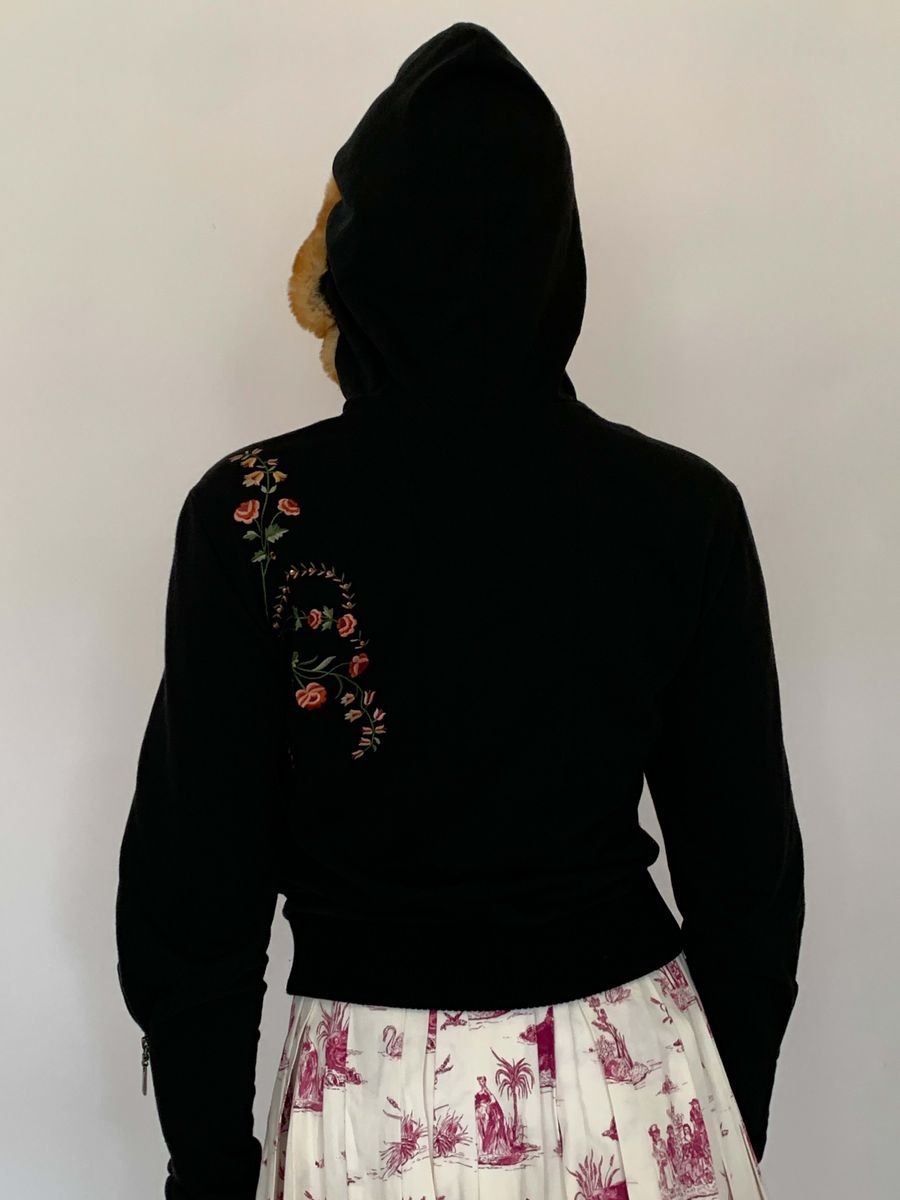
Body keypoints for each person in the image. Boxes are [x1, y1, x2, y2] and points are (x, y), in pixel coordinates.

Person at [115, 21, 805, 1200]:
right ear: (553, 249)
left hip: (368, 1103)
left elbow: (197, 887)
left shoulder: (255, 510)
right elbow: (749, 879)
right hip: (642, 1087)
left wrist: (211, 1167)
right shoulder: (681, 507)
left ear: (362, 252)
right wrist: (717, 1115)